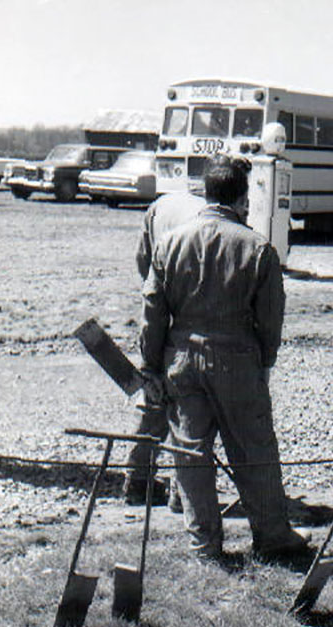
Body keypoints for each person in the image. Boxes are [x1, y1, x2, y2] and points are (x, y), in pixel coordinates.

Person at [140, 155, 308, 561]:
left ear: (206, 193)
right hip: (237, 362)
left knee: (191, 456)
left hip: (181, 362)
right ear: (241, 197)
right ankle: (271, 538)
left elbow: (152, 311)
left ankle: (205, 548)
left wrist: (151, 366)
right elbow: (271, 320)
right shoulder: (258, 248)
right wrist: (264, 365)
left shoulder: (170, 243)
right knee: (254, 451)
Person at [122, 191, 206, 506]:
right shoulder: (207, 221)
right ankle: (179, 491)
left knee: (155, 392)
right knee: (188, 404)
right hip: (180, 315)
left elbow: (144, 268)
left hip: (163, 308)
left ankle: (138, 480)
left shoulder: (165, 205)